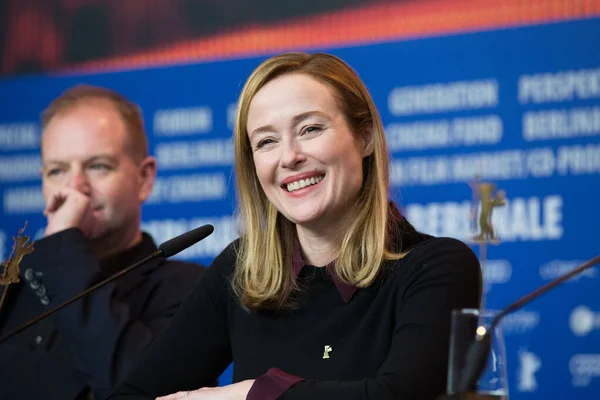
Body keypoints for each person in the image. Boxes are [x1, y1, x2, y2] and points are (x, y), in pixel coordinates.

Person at [109, 52, 482, 400]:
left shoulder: (436, 266)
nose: (289, 157)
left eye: (310, 129)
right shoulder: (242, 268)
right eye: (267, 141)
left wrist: (250, 393)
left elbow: (401, 396)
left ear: (365, 136)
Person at [0, 85, 206, 400]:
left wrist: (65, 246)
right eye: (57, 171)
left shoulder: (188, 288)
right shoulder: (8, 285)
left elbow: (137, 389)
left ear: (144, 178)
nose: (75, 189)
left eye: (98, 166)